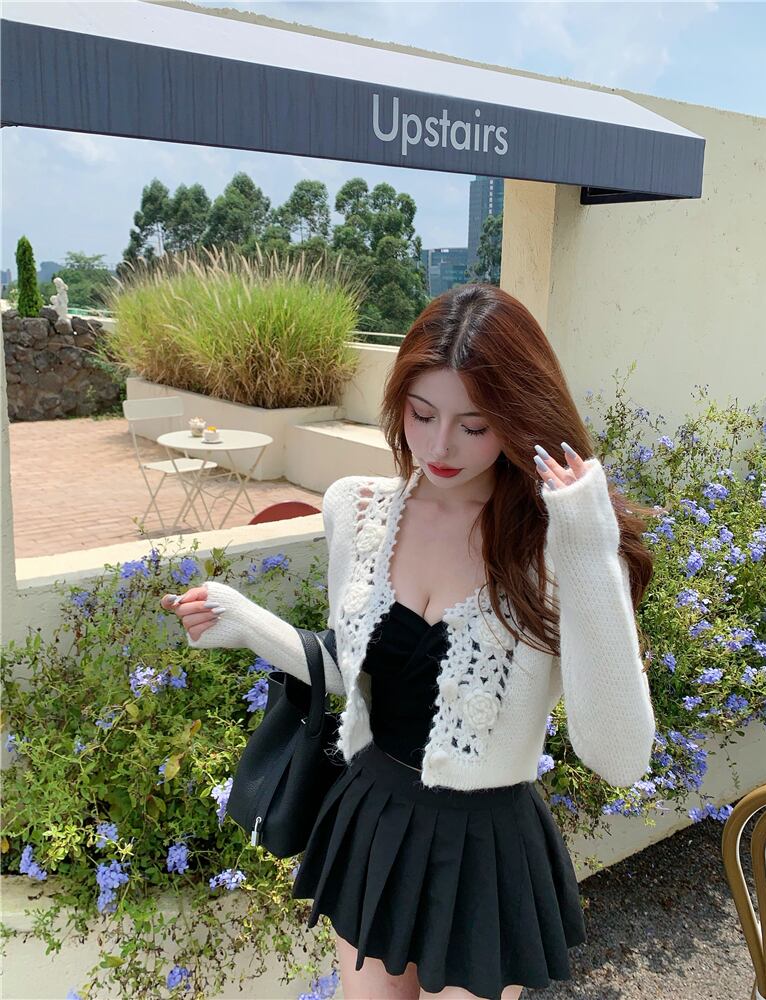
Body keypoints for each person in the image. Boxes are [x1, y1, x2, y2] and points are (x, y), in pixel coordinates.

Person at [161, 283, 658, 1000]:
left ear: (518, 419)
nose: (440, 446)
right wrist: (245, 622)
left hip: (486, 847)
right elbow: (352, 672)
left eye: (475, 425)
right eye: (421, 414)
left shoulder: (553, 547)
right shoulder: (357, 509)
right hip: (373, 818)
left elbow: (619, 756)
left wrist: (587, 545)